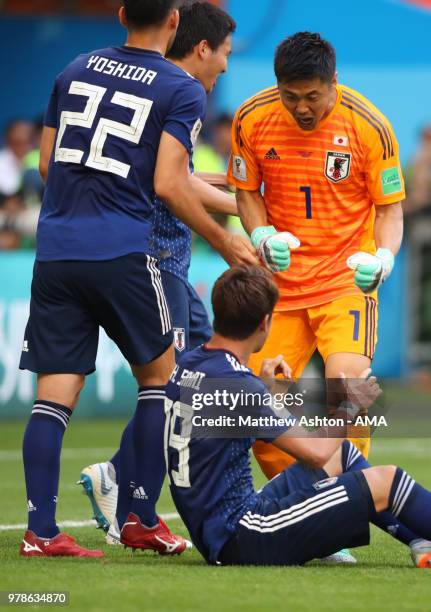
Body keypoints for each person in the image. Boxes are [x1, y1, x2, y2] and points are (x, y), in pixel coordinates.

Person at [19, 0, 256, 559]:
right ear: (175, 21)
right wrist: (225, 241)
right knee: (163, 382)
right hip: (125, 250)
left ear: (122, 12)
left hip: (55, 250)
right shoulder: (181, 88)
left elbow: (47, 167)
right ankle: (141, 517)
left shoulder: (72, 70)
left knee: (53, 396)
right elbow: (171, 184)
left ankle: (40, 532)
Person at [76, 0, 241, 541]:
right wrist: (237, 224)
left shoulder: (162, 87)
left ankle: (121, 479)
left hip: (164, 260)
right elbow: (172, 185)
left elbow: (183, 177)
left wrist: (246, 200)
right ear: (201, 48)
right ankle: (125, 489)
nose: (225, 67)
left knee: (188, 375)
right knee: (178, 380)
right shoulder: (178, 92)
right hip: (155, 259)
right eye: (224, 55)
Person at [163, 265, 431, 568]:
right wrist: (351, 406)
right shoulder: (241, 385)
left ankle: (421, 540)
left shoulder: (188, 366)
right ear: (265, 323)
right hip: (246, 534)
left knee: (342, 454)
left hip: (218, 528)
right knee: (387, 480)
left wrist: (268, 391)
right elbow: (316, 454)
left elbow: (227, 431)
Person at [227, 32, 405, 480]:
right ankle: (307, 507)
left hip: (345, 281)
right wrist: (263, 235)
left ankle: (350, 500)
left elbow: (389, 209)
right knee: (255, 404)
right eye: (291, 96)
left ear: (334, 81)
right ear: (277, 86)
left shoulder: (370, 126)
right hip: (278, 288)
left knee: (349, 389)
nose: (302, 107)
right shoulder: (251, 118)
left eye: (312, 96)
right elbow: (246, 194)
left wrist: (383, 259)